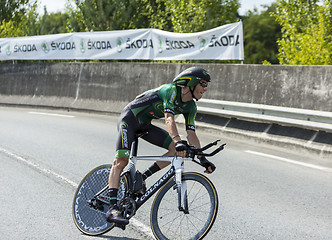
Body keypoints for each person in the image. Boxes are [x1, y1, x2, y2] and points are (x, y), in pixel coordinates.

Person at [106, 66, 216, 225]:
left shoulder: (191, 106)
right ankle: (112, 208)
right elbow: (169, 119)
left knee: (174, 151)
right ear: (191, 83)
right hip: (129, 119)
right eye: (204, 84)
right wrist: (178, 141)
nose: (205, 89)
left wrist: (202, 158)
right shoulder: (170, 91)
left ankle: (142, 178)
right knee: (121, 161)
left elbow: (191, 133)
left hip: (145, 125)